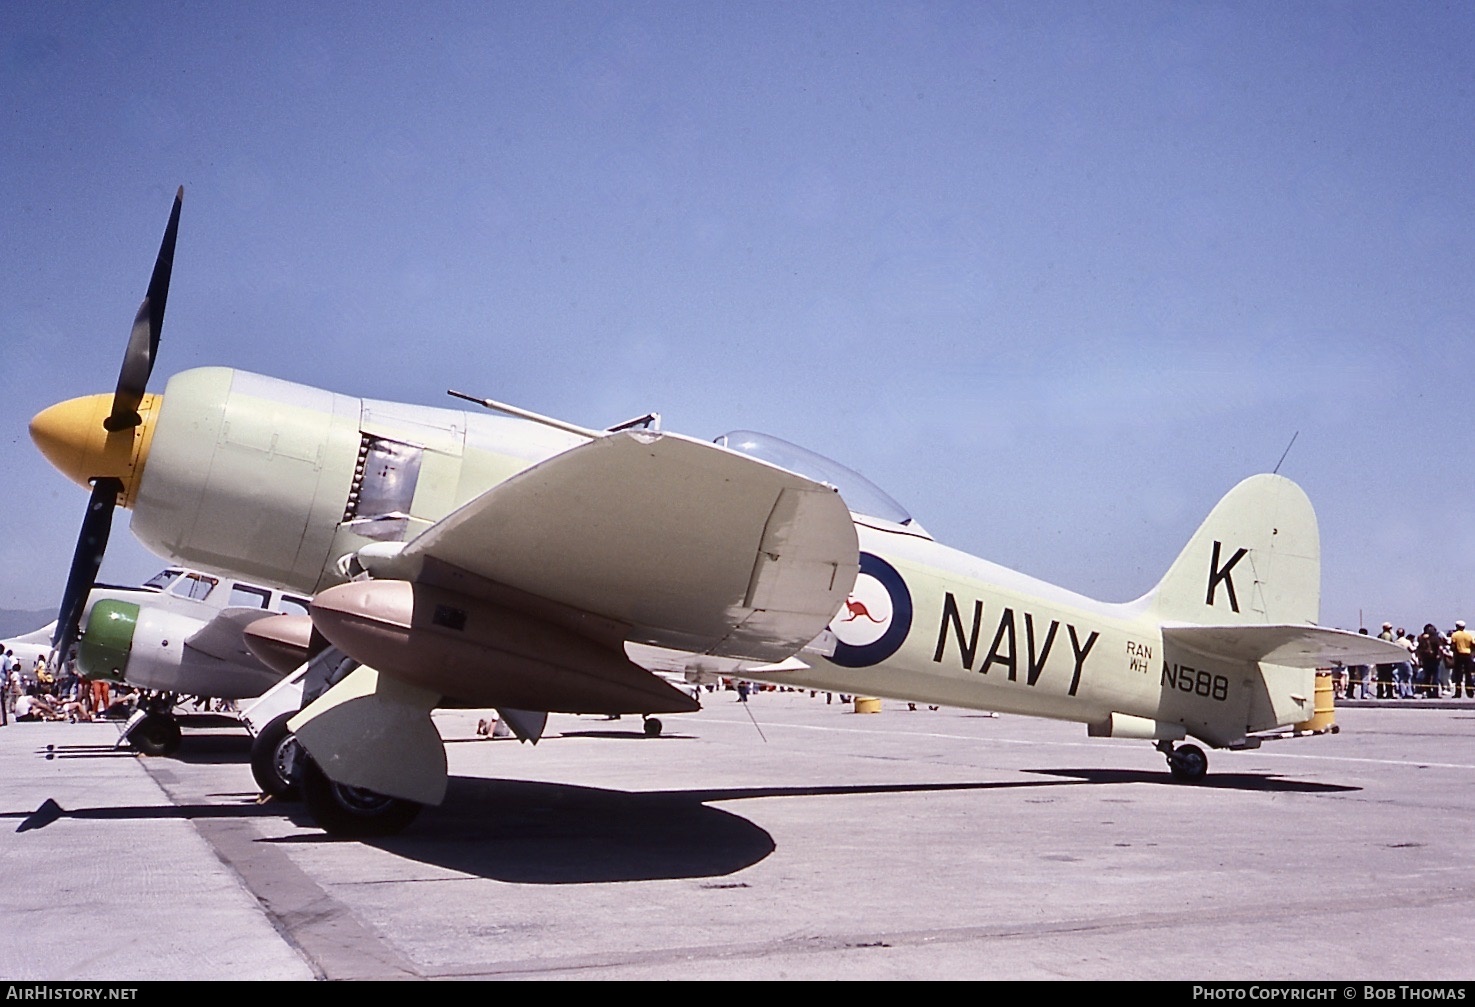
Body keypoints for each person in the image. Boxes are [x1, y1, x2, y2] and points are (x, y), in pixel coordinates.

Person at [1376, 623, 1397, 699]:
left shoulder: (1380, 635)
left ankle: (1380, 693)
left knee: (1381, 677)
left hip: (1380, 660)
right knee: (1388, 677)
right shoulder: (1387, 635)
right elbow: (1388, 646)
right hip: (1386, 660)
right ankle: (1389, 693)